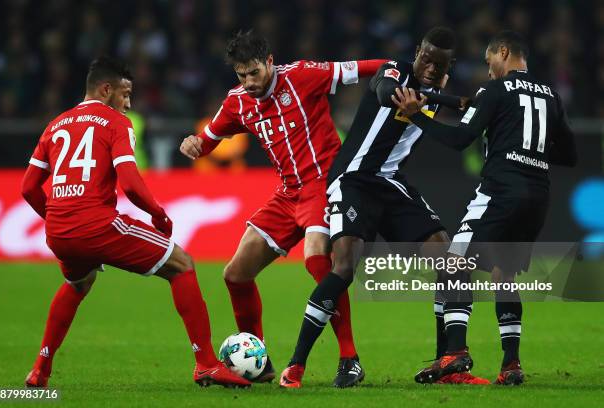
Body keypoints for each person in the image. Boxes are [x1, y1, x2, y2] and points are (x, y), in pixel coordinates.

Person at [21, 56, 250, 388]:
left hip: (58, 231)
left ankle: (40, 370)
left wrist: (57, 216)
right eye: (125, 94)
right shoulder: (115, 122)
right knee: (182, 264)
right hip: (97, 224)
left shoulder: (56, 124)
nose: (128, 103)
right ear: (106, 89)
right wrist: (158, 213)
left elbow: (28, 187)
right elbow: (129, 182)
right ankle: (206, 364)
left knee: (78, 282)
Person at [279, 27, 489, 388]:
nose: (425, 65)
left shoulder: (438, 96)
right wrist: (438, 99)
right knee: (344, 265)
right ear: (418, 51)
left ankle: (449, 366)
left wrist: (457, 104)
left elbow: (454, 135)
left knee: (452, 262)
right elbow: (382, 90)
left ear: (447, 65)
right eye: (423, 56)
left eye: (435, 63)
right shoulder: (396, 70)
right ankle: (296, 366)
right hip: (354, 179)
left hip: (391, 183)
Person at [180, 30, 386, 387]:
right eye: (241, 75)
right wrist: (194, 144)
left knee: (317, 261)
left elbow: (368, 67)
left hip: (324, 185)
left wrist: (408, 71)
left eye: (254, 73)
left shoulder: (303, 75)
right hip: (286, 193)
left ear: (270, 61)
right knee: (236, 273)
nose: (249, 82)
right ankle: (257, 361)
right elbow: (209, 140)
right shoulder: (236, 102)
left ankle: (349, 358)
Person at [392, 30, 577, 385]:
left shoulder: (494, 90)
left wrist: (417, 115)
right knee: (504, 276)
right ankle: (511, 364)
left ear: (504, 53)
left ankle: (455, 352)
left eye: (490, 62)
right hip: (538, 198)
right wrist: (526, 145)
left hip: (501, 192)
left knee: (452, 262)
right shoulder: (551, 95)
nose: (489, 70)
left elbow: (460, 140)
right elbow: (569, 155)